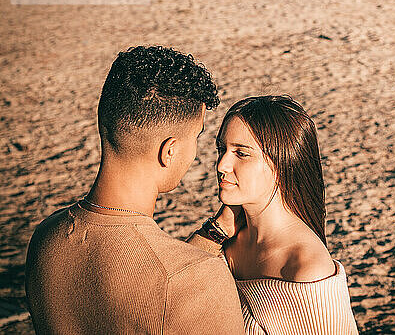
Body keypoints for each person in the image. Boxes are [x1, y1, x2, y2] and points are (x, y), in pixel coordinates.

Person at [25, 46, 244, 334]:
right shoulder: (200, 279)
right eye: (196, 137)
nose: (195, 154)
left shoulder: (46, 238)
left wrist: (214, 232)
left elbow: (140, 280)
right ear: (170, 151)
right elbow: (164, 282)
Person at [188, 95, 358, 334]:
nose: (221, 165)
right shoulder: (224, 241)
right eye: (222, 149)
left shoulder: (307, 270)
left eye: (241, 153)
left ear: (282, 163)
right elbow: (170, 294)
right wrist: (216, 230)